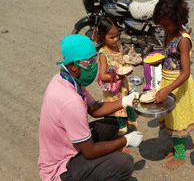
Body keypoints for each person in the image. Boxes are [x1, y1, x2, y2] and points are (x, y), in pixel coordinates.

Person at [38, 34, 143, 181]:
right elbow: (90, 152)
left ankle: (106, 162)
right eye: (89, 62)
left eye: (94, 61)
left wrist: (126, 101)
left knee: (112, 125)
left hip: (69, 146)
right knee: (125, 163)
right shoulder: (70, 101)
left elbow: (95, 109)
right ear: (73, 66)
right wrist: (126, 140)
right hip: (60, 168)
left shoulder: (66, 79)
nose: (94, 67)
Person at [153, 0, 194, 171]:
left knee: (178, 120)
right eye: (162, 25)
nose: (164, 28)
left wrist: (167, 90)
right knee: (171, 118)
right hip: (167, 82)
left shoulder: (183, 41)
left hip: (178, 86)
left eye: (166, 24)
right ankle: (176, 148)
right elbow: (169, 58)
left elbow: (186, 72)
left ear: (177, 19)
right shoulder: (169, 35)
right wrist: (159, 61)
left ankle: (180, 155)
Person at [95, 17, 138, 153]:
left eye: (117, 36)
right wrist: (117, 76)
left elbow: (124, 61)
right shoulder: (103, 54)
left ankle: (121, 141)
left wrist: (129, 63)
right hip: (113, 93)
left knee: (124, 116)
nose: (115, 39)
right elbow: (103, 76)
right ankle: (118, 145)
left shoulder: (119, 47)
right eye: (111, 37)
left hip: (124, 88)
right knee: (117, 119)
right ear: (102, 37)